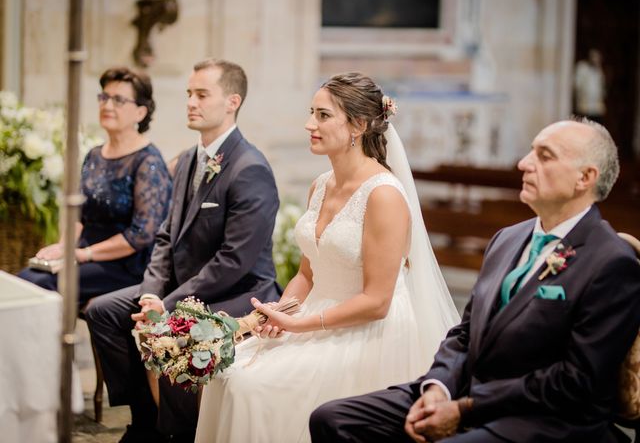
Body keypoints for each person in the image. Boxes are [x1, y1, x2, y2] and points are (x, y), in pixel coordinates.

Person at [310, 118, 640, 443]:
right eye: (530, 152)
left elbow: (576, 381)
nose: (524, 164)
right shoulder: (507, 239)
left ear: (585, 177)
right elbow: (465, 334)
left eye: (545, 156)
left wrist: (466, 410)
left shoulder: (611, 262)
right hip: (466, 391)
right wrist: (438, 388)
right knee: (333, 420)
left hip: (542, 418)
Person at [195, 72, 460, 443]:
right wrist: (279, 313)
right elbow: (307, 272)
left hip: (367, 329)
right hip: (314, 313)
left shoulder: (383, 195)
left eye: (322, 115)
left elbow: (377, 302)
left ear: (359, 125)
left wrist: (299, 325)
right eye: (311, 113)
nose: (309, 125)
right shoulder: (320, 185)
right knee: (224, 371)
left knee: (249, 386)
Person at [85, 58, 282, 443]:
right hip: (180, 286)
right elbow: (164, 235)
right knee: (103, 311)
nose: (191, 101)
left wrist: (170, 303)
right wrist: (151, 292)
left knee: (175, 327)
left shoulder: (249, 168)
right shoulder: (188, 159)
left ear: (232, 101)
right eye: (189, 93)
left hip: (238, 292)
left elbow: (234, 261)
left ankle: (177, 433)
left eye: (202, 94)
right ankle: (145, 420)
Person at [18, 66, 172, 310]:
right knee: (26, 279)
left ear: (141, 112)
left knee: (38, 285)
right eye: (104, 97)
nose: (107, 106)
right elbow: (79, 214)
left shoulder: (148, 161)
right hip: (84, 253)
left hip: (125, 264)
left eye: (119, 100)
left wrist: (83, 254)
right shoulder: (94, 155)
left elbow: (142, 234)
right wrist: (64, 246)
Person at [574, 49, 606, 123]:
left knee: (594, 123)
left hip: (596, 105)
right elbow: (578, 84)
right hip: (585, 104)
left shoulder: (598, 70)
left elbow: (601, 87)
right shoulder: (582, 67)